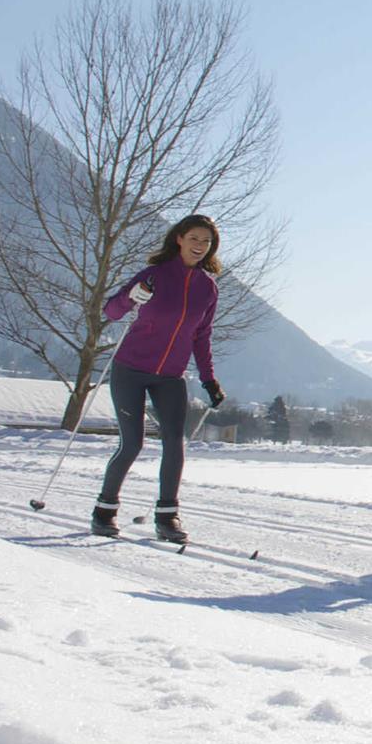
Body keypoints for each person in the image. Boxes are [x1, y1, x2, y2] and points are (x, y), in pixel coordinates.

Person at [92, 214, 226, 544]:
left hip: (170, 376)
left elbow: (201, 337)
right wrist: (132, 296)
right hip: (130, 369)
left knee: (174, 443)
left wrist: (209, 379)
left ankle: (167, 517)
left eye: (206, 241)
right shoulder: (154, 275)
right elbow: (111, 312)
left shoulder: (207, 288)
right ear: (179, 238)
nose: (200, 245)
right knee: (132, 443)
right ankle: (104, 512)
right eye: (194, 238)